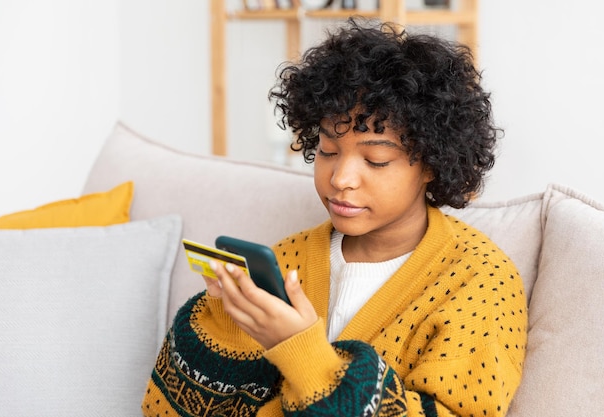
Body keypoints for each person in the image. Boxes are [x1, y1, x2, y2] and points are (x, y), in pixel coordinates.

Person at [142, 18, 527, 417]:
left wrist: (301, 352)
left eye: (376, 160)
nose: (340, 178)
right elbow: (162, 411)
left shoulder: (479, 280)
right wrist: (228, 318)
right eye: (327, 150)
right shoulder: (287, 260)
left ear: (431, 163)